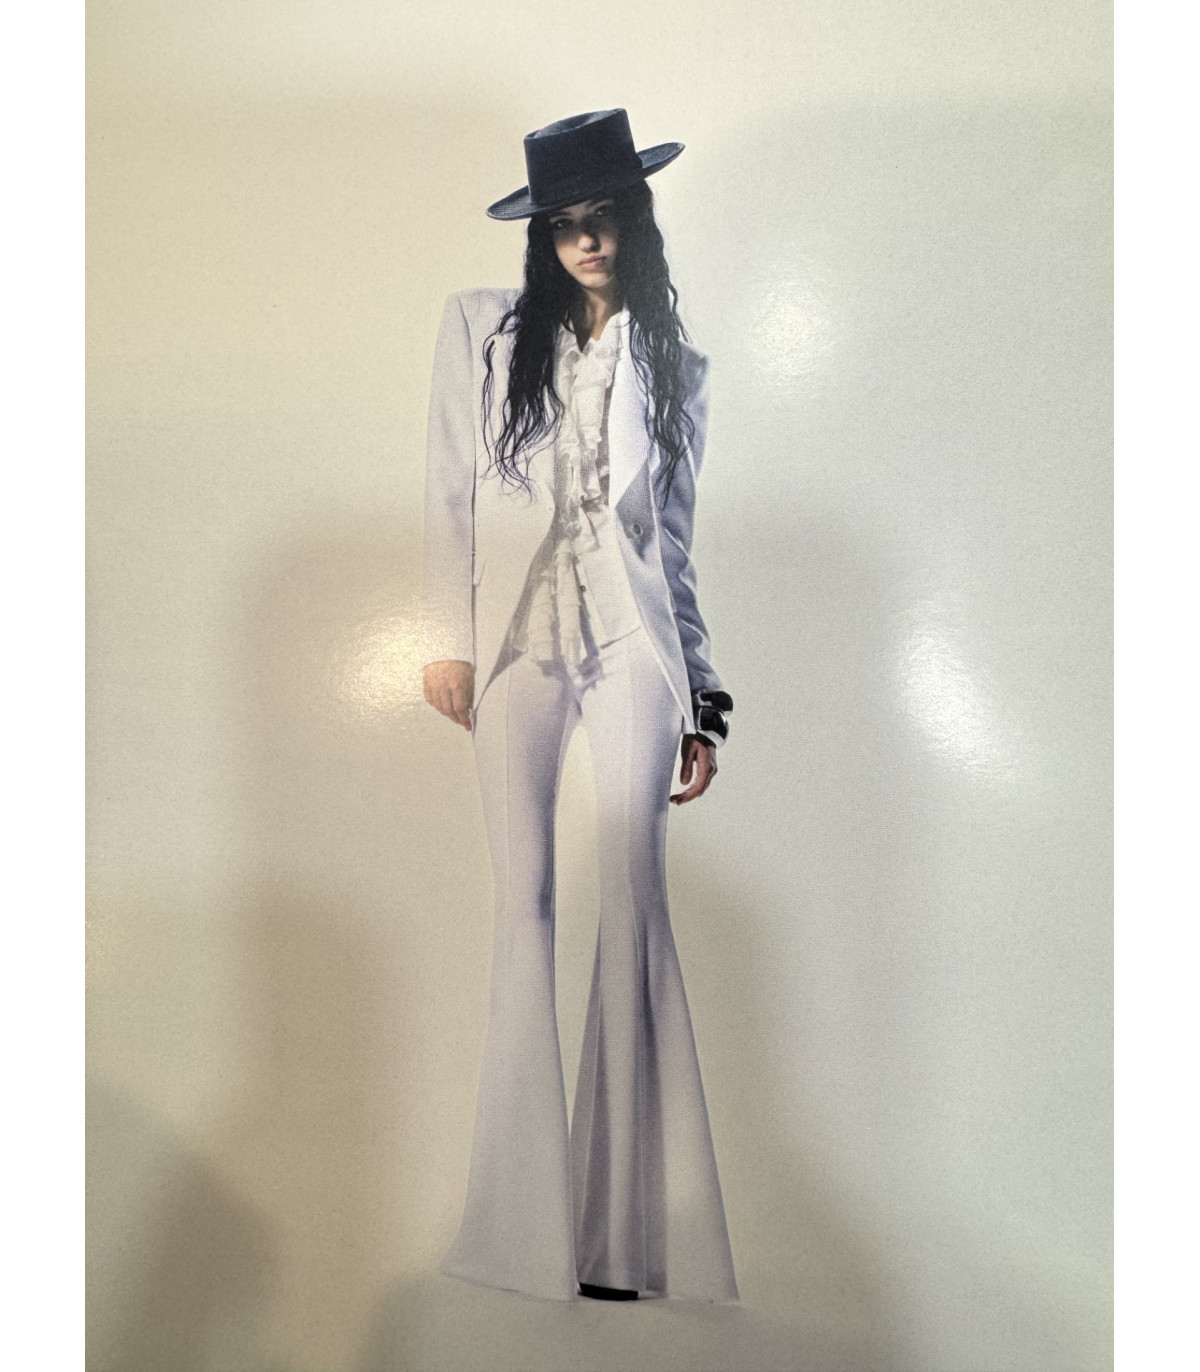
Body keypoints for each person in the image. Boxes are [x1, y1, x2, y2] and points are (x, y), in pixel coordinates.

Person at [420, 109, 737, 1303]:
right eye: (566, 224)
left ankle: (627, 1243)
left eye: (606, 219)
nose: (588, 241)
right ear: (543, 235)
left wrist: (703, 699)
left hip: (633, 653)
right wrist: (449, 641)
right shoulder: (480, 329)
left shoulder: (677, 366)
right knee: (526, 904)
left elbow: (675, 549)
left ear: (635, 223)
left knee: (634, 898)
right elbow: (448, 488)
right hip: (518, 645)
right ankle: (519, 1234)